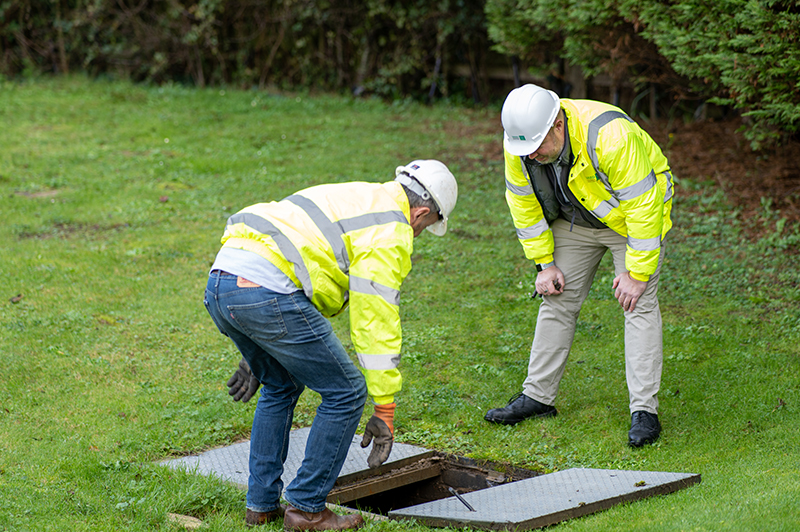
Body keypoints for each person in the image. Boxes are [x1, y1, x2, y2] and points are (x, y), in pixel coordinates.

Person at [204, 160, 458, 530]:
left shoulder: (357, 192)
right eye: (427, 225)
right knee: (347, 392)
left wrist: (261, 344)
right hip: (267, 291)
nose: (420, 233)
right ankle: (306, 509)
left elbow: (301, 252)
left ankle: (260, 506)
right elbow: (375, 321)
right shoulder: (391, 230)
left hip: (221, 283)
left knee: (280, 384)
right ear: (421, 212)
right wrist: (384, 407)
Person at [484, 84, 675, 448]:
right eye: (527, 149)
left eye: (539, 147)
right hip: (575, 221)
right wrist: (544, 264)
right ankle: (538, 397)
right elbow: (523, 206)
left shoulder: (611, 137)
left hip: (629, 222)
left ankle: (644, 411)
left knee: (638, 304)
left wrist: (636, 273)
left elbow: (644, 207)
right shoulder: (522, 144)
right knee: (556, 299)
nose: (533, 156)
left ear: (558, 125)